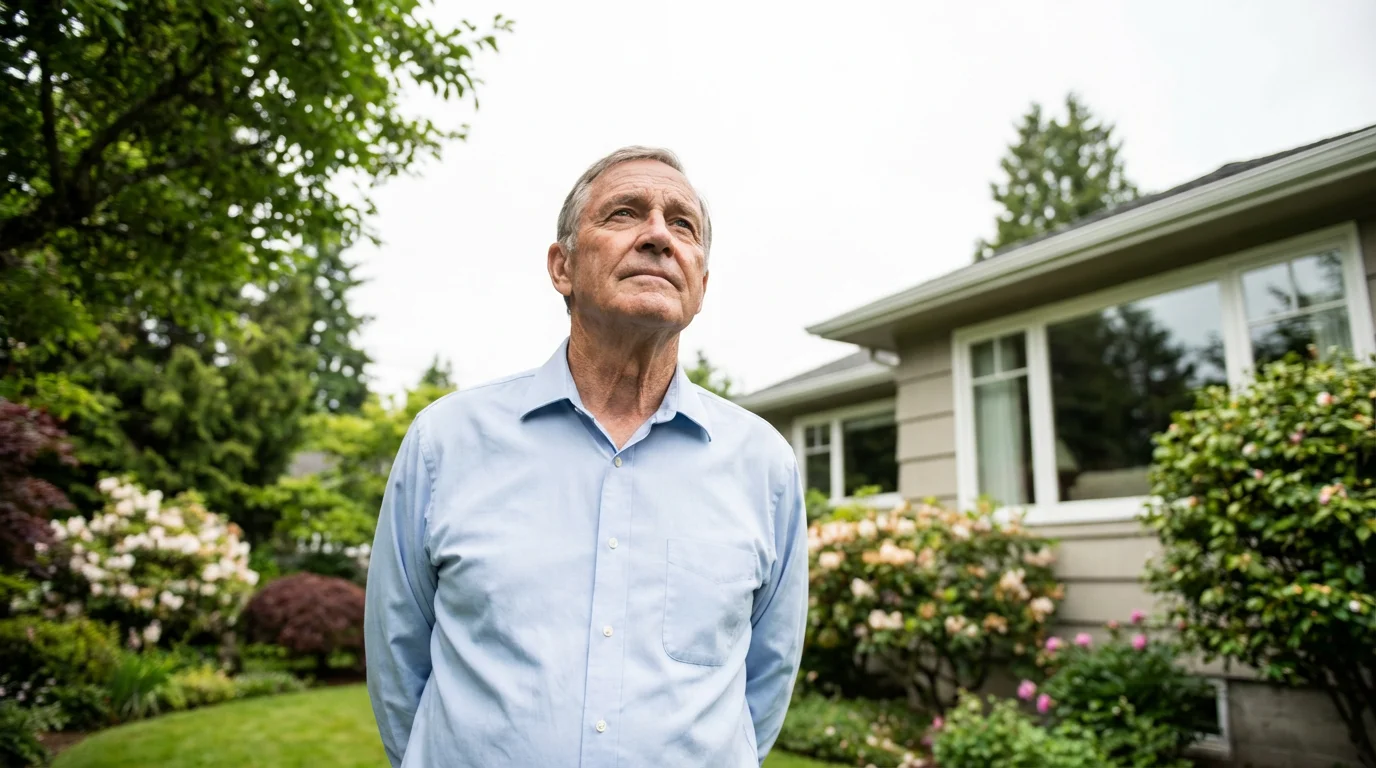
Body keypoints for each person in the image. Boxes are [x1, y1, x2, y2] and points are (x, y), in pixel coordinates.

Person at [364, 146, 809, 767]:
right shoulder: (447, 442)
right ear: (562, 267)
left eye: (683, 225)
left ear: (701, 284)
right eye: (625, 213)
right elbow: (397, 661)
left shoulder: (764, 464)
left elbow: (767, 675)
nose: (658, 235)